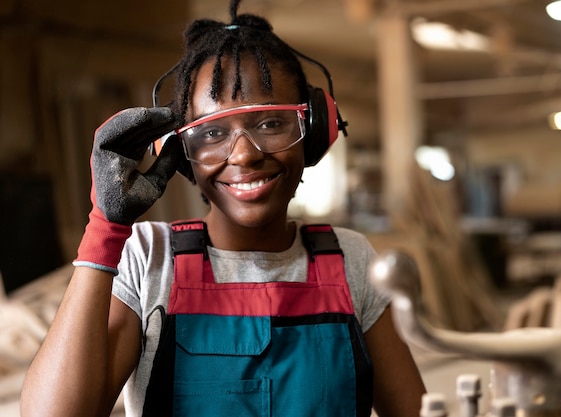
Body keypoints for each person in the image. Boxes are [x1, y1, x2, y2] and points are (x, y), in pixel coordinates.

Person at [21, 0, 427, 415]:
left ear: (314, 132)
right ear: (179, 153)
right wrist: (104, 231)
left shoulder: (351, 260)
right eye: (211, 132)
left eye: (269, 123)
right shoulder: (148, 258)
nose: (244, 155)